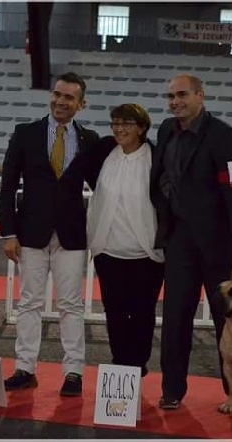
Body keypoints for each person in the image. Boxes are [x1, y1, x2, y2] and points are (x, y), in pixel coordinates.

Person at [151, 74, 232, 410]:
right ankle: (172, 390)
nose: (175, 102)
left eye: (182, 94)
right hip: (181, 241)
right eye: (170, 96)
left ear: (201, 96)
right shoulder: (166, 130)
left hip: (222, 242)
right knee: (174, 318)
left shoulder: (227, 138)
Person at [0, 72, 99, 396]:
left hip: (71, 234)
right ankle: (25, 368)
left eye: (69, 97)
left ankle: (73, 372)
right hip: (30, 232)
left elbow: (102, 188)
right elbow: (8, 186)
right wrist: (7, 233)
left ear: (81, 104)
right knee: (29, 302)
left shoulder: (91, 140)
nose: (60, 101)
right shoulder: (24, 133)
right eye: (57, 94)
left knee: (72, 304)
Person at [83, 104, 164, 377]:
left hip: (146, 253)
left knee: (142, 313)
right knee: (114, 312)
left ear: (142, 128)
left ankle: (137, 365)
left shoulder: (156, 157)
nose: (119, 129)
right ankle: (120, 366)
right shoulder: (105, 153)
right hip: (108, 251)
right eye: (115, 123)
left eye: (127, 123)